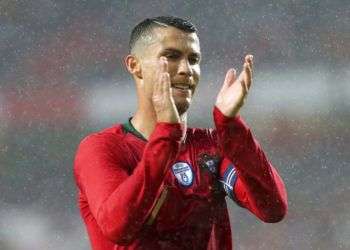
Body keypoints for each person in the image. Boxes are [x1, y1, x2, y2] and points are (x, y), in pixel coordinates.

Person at [73, 16, 288, 250]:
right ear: (135, 65)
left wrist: (231, 125)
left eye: (194, 59)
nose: (187, 70)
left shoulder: (211, 147)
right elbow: (118, 227)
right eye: (172, 56)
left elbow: (272, 208)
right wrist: (167, 133)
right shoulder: (102, 148)